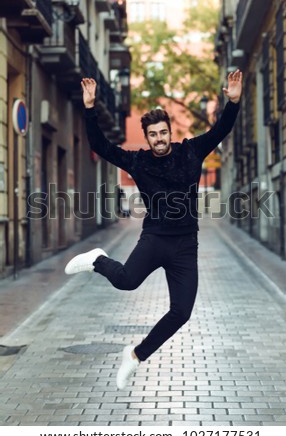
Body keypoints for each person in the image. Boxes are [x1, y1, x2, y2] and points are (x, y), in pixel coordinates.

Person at [65, 71, 243, 389]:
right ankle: (96, 260)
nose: (159, 139)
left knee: (182, 312)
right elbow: (100, 146)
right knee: (125, 281)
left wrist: (232, 102)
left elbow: (222, 129)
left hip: (186, 244)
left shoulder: (191, 150)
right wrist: (89, 109)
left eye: (163, 133)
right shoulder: (139, 162)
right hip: (155, 239)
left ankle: (134, 356)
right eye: (153, 135)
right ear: (146, 137)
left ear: (170, 133)